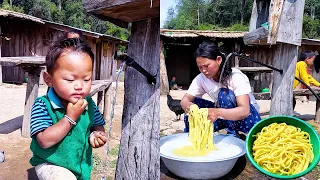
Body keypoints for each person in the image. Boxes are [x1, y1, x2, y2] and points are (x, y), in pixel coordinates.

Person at [29, 38, 107, 180]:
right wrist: (70, 118)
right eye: (70, 80)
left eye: (86, 79)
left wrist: (96, 135)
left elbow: (98, 126)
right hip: (50, 164)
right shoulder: (43, 105)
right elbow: (44, 141)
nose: (79, 86)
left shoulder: (88, 103)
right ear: (48, 79)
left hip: (80, 164)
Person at [180, 41, 261, 138]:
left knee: (225, 94)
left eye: (206, 66)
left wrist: (217, 112)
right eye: (200, 67)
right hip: (224, 116)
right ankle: (193, 137)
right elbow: (185, 99)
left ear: (218, 60)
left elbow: (244, 110)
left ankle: (235, 135)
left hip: (247, 119)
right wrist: (188, 106)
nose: (204, 70)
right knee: (194, 106)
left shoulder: (236, 76)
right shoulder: (201, 78)